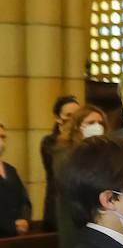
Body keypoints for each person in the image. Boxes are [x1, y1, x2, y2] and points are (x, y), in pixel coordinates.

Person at [53, 106, 112, 248]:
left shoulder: (108, 152)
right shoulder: (65, 153)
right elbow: (71, 183)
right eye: (91, 122)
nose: (97, 126)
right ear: (78, 126)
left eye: (100, 122)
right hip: (76, 221)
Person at [41, 95, 81, 230]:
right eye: (69, 115)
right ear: (58, 118)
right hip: (57, 206)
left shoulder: (85, 141)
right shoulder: (50, 142)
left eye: (77, 114)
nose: (73, 119)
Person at [0, 123, 32, 237]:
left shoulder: (11, 170)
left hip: (15, 237)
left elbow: (24, 199)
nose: (1, 142)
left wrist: (24, 219)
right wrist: (11, 225)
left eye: (3, 137)